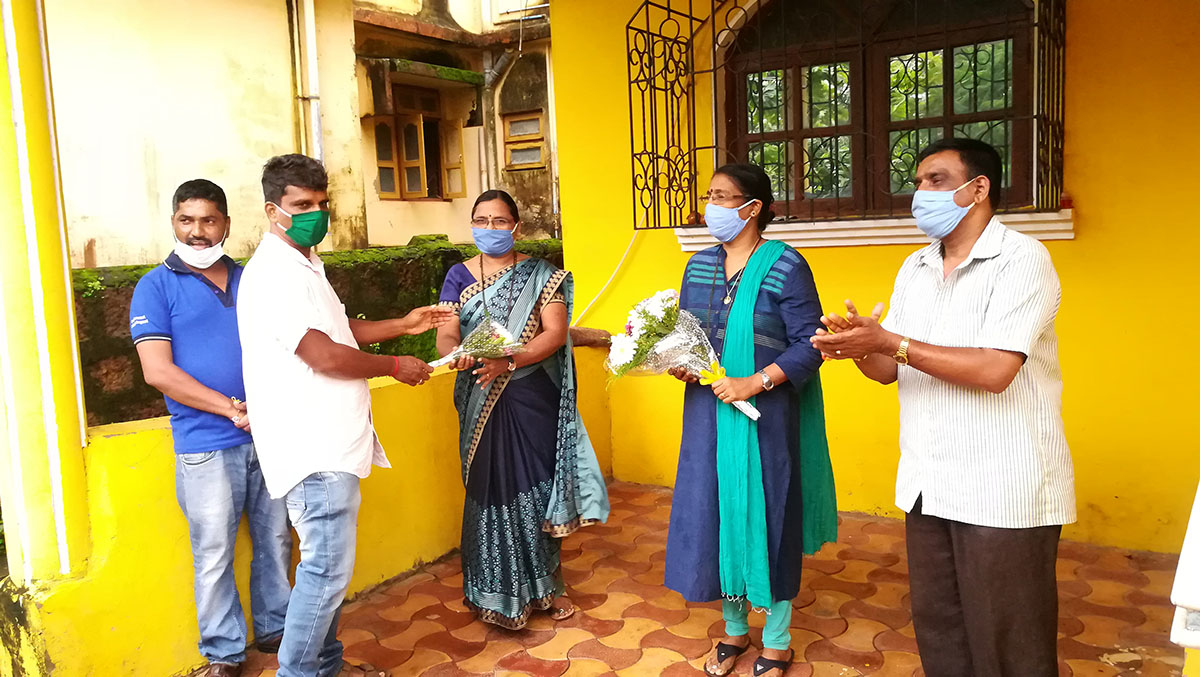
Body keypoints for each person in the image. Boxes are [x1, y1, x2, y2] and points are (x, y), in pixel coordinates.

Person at [811, 138, 1075, 677]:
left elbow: (995, 370)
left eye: (935, 180)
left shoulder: (1022, 259)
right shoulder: (916, 267)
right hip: (929, 484)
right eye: (918, 181)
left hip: (1003, 487)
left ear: (977, 189)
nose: (919, 192)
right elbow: (890, 370)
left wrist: (889, 342)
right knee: (941, 629)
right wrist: (858, 346)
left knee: (1008, 639)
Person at [237, 154, 453, 677]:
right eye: (302, 205)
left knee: (325, 573)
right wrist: (395, 366)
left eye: (322, 204)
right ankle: (299, 672)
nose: (316, 214)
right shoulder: (274, 274)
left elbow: (339, 330)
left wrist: (401, 325)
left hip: (331, 441)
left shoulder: (307, 265)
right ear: (273, 210)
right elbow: (325, 355)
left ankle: (325, 666)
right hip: (313, 449)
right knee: (325, 574)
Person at [664, 164, 837, 677]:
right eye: (709, 195)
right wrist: (681, 363)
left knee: (770, 516)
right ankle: (735, 630)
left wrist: (755, 381)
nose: (710, 205)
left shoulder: (786, 265)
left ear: (753, 207)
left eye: (722, 196)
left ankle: (778, 640)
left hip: (766, 414)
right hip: (708, 412)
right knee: (716, 512)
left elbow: (813, 344)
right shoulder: (697, 267)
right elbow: (690, 334)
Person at [130, 179, 292, 677]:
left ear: (225, 223)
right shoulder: (154, 286)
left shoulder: (253, 279)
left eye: (208, 221)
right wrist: (229, 409)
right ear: (174, 223)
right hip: (206, 443)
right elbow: (158, 371)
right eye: (186, 220)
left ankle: (277, 627)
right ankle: (224, 654)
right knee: (215, 550)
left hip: (268, 436)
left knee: (277, 539)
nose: (197, 232)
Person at [435, 189, 609, 630]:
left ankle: (548, 589)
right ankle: (487, 591)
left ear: (515, 225)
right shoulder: (458, 275)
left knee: (534, 489)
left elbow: (554, 333)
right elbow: (447, 332)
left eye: (498, 220)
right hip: (479, 395)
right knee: (487, 490)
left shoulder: (542, 275)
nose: (489, 228)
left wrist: (508, 360)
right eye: (481, 220)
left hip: (531, 395)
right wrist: (455, 352)